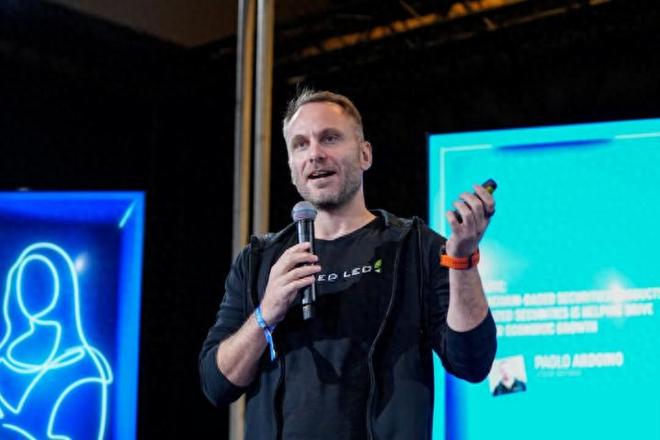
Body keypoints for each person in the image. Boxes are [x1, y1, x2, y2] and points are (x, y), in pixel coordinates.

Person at [199, 90, 497, 439]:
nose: (315, 154)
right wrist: (267, 313)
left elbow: (472, 362)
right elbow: (216, 384)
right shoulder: (258, 261)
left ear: (365, 154)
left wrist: (462, 260)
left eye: (330, 138)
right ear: (292, 168)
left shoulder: (415, 247)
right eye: (300, 144)